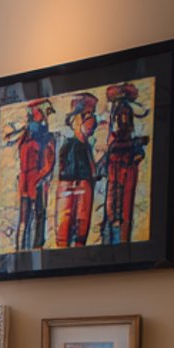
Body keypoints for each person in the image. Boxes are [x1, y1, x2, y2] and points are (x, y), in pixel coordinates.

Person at [101, 82, 148, 244]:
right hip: (113, 184)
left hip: (126, 177)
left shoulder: (133, 143)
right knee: (110, 215)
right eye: (119, 116)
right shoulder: (113, 140)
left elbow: (138, 155)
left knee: (124, 215)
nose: (122, 120)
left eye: (125, 116)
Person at [6, 99, 56, 250]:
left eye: (38, 113)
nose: (35, 116)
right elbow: (12, 142)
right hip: (25, 182)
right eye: (34, 113)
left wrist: (40, 178)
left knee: (39, 214)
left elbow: (49, 163)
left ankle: (37, 246)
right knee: (24, 218)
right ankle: (21, 247)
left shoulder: (47, 137)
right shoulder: (26, 136)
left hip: (38, 181)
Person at [55, 93, 100, 247]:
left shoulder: (86, 147)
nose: (91, 125)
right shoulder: (68, 144)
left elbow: (92, 169)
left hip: (83, 182)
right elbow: (62, 165)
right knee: (64, 222)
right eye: (86, 116)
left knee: (82, 222)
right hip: (68, 183)